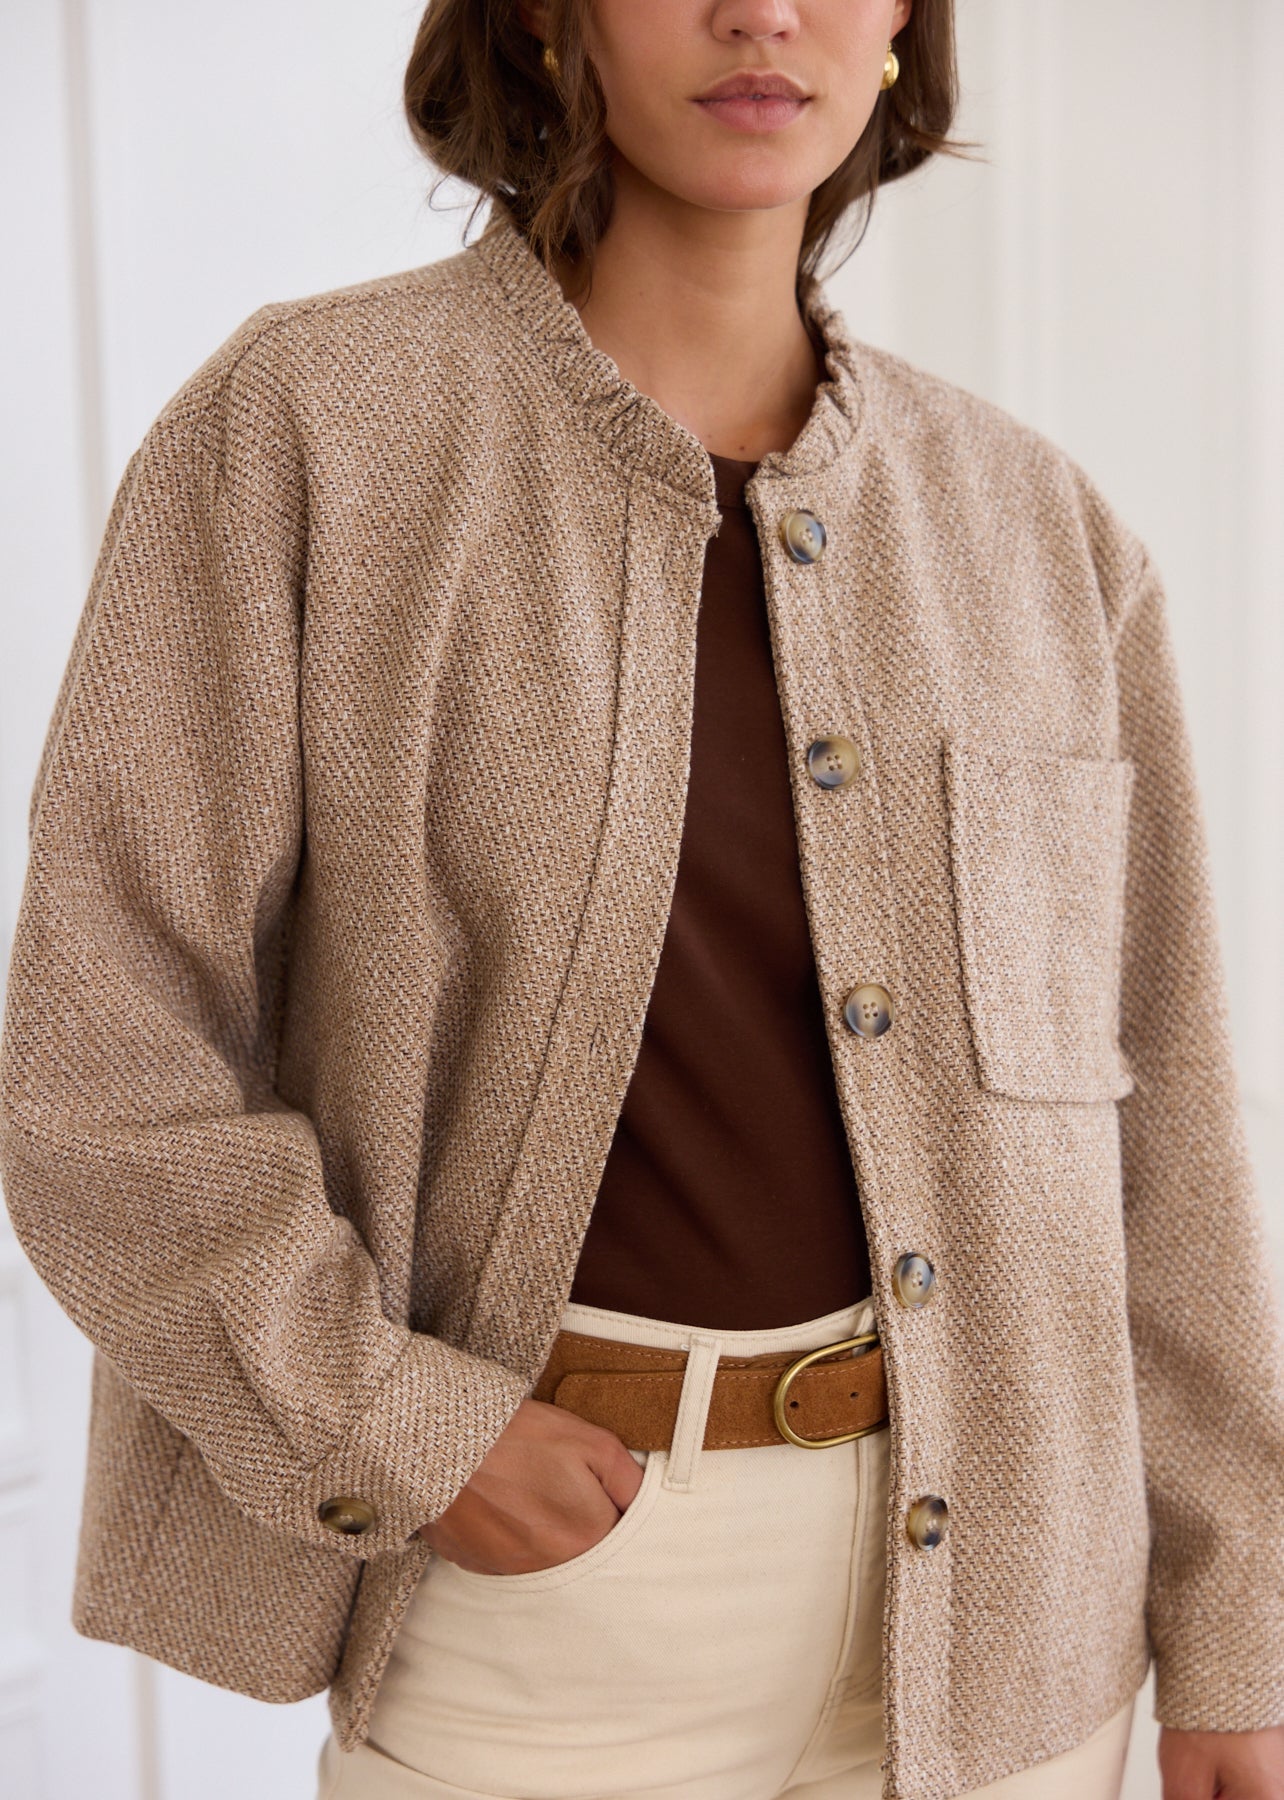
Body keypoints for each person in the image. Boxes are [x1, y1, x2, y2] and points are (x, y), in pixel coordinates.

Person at [2, 1, 1283, 1796]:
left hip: (1017, 1619)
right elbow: (100, 1058)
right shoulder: (310, 430)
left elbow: (1166, 1144)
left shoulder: (1039, 532)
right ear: (552, 17)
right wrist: (401, 1428)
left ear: (901, 29)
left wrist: (1240, 1630)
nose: (763, 13)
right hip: (553, 1623)